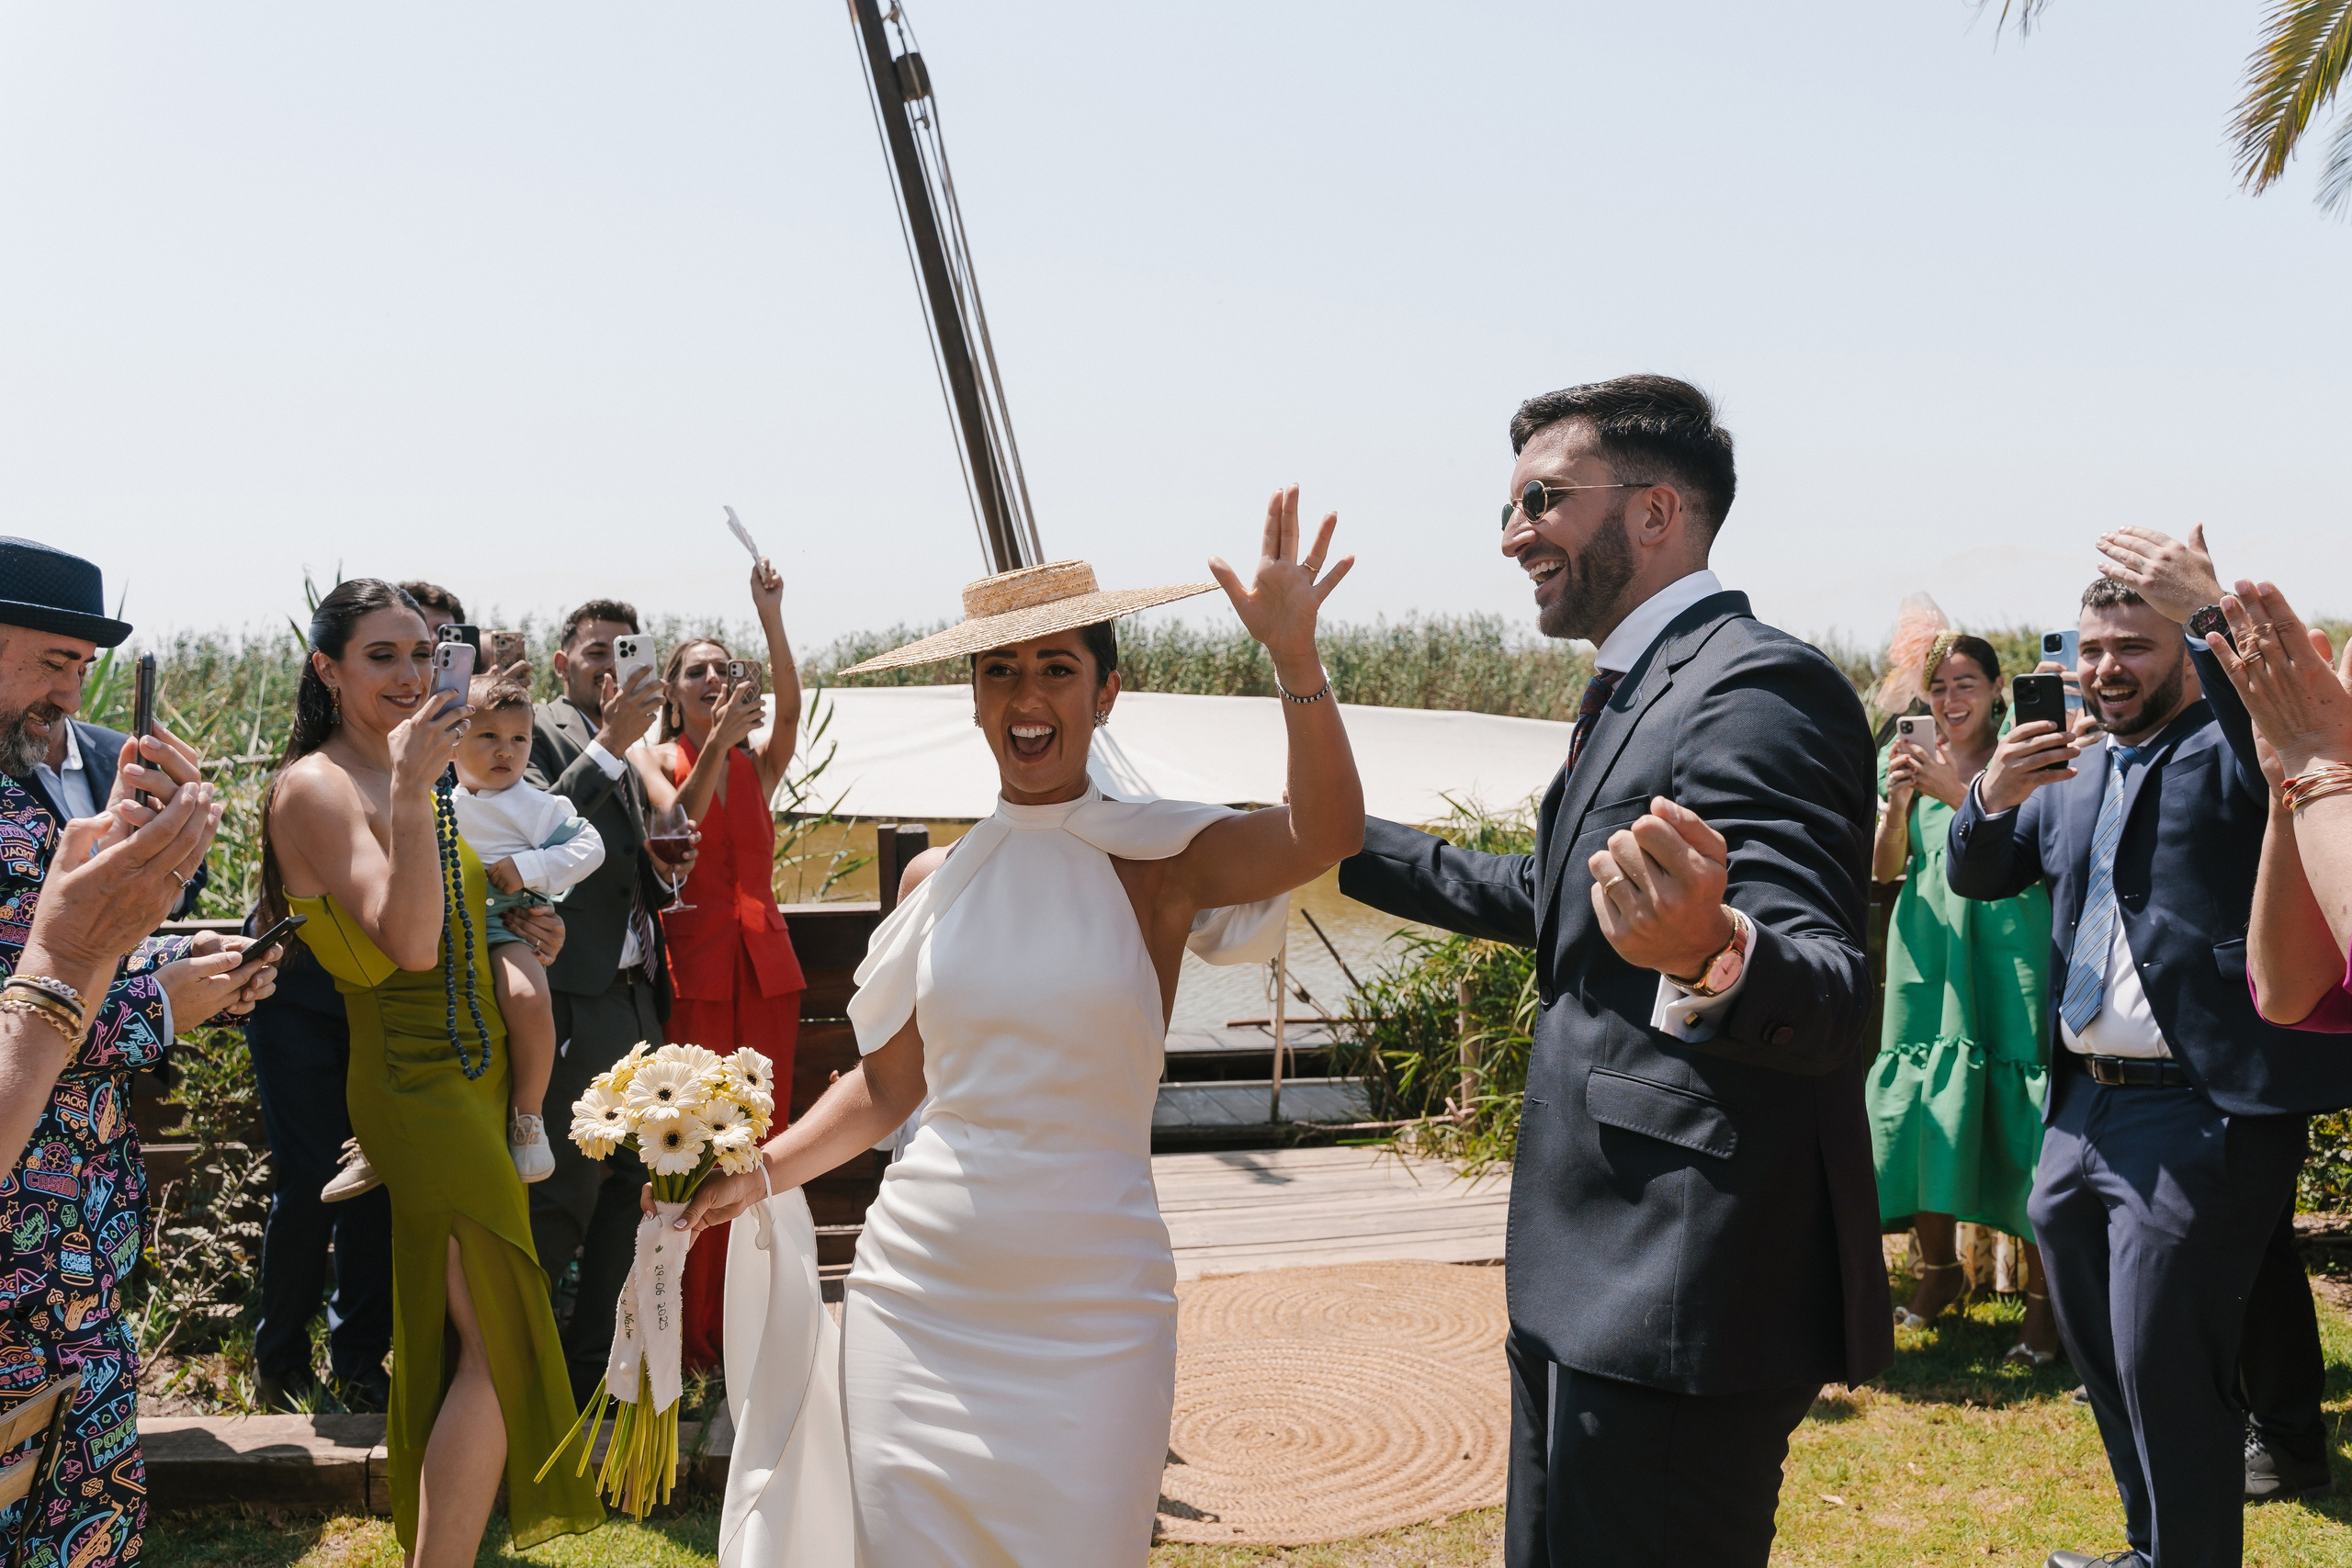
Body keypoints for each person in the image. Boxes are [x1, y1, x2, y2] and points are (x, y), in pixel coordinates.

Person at [673, 500, 1360, 1565]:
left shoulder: (1160, 859)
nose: (1026, 696)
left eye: (1055, 669)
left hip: (1096, 1304)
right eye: (1000, 672)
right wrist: (756, 1172)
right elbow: (889, 1088)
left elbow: (1326, 833)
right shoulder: (935, 880)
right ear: (975, 699)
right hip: (920, 1292)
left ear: (1106, 692)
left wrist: (1295, 656)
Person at [1339, 377, 1890, 1567]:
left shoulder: (1754, 687)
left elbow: (1830, 986)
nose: (1513, 533)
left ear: (1655, 512)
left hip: (1674, 1291)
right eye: (1509, 505)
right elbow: (1555, 908)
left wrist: (1710, 949)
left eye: (1542, 498)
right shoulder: (1641, 686)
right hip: (1585, 1277)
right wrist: (1333, 837)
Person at [1946, 528, 2352, 1568]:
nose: (2103, 669)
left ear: (2179, 652)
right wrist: (1991, 792)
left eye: (2131, 645)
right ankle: (2149, 1549)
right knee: (2110, 1361)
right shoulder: (2071, 771)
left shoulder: (2234, 750)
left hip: (2202, 1109)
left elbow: (2283, 741)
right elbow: (1981, 874)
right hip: (2080, 1110)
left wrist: (2213, 611)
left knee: (2167, 1364)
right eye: (2088, 648)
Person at [262, 579, 600, 1563]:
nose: (411, 675)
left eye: (424, 652)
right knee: (501, 1332)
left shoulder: (425, 777)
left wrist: (532, 925)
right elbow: (406, 948)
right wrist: (414, 788)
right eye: (382, 656)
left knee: (473, 1335)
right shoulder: (321, 787)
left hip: (476, 1062)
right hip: (413, 1082)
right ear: (327, 670)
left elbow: (451, 923)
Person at [0, 536, 275, 1568]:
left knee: (85, 1519)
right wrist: (163, 1005)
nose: (73, 694)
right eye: (53, 661)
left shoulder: (28, 783)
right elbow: (35, 984)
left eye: (83, 667)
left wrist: (179, 952)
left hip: (80, 1236)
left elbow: (59, 953)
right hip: (14, 1251)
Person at [628, 558, 803, 1374]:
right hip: (696, 968)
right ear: (674, 692)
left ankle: (757, 1321)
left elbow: (795, 710)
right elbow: (678, 830)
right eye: (697, 671)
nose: (713, 679)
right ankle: (695, 1334)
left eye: (725, 670)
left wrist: (769, 616)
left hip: (766, 970)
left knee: (760, 1147)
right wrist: (718, 744)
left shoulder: (758, 762)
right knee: (698, 1147)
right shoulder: (661, 758)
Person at [1869, 626, 2060, 1364]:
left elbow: (2041, 849)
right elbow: (1886, 869)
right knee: (1923, 1101)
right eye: (1938, 686)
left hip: (2009, 938)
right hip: (1928, 941)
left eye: (1966, 684)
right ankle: (1938, 1273)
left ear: (1996, 690)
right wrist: (1894, 805)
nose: (1951, 699)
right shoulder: (1910, 759)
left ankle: (2045, 1313)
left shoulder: (2024, 752)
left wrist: (1953, 789)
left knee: (2025, 1118)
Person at [526, 598, 675, 1408]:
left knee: (631, 1191)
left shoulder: (628, 744)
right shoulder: (542, 732)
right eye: (593, 653)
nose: (608, 667)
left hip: (630, 998)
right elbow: (535, 837)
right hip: (570, 1001)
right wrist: (614, 742)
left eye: (623, 652)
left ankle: (589, 1375)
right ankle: (509, 1379)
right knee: (560, 1198)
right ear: (562, 663)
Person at [450, 677, 605, 1184]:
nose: (506, 751)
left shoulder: (536, 806)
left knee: (527, 994)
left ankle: (529, 1116)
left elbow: (590, 848)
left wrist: (529, 868)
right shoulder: (435, 801)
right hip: (439, 926)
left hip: (503, 922)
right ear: (452, 737)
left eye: (519, 739)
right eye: (488, 736)